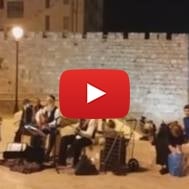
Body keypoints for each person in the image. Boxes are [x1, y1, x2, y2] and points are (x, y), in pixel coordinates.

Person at [35, 95, 61, 160]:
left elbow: (57, 122)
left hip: (54, 128)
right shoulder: (45, 109)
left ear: (53, 101)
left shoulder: (57, 110)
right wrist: (38, 121)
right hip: (46, 127)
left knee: (52, 135)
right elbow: (37, 114)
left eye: (50, 101)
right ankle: (38, 152)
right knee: (37, 133)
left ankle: (47, 154)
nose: (48, 103)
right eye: (47, 101)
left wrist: (48, 125)